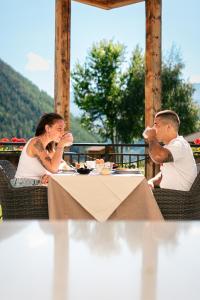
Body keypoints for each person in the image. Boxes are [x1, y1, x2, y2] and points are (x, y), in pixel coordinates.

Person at [11, 113, 73, 187]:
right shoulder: (36, 143)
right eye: (59, 129)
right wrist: (61, 145)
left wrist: (51, 175)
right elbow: (53, 168)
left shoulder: (48, 148)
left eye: (63, 129)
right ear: (47, 128)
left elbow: (63, 166)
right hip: (25, 188)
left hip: (37, 187)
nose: (63, 133)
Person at [143, 110, 197, 191]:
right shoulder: (170, 146)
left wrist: (151, 137)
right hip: (169, 195)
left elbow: (158, 156)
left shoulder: (179, 145)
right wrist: (152, 182)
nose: (153, 128)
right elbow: (164, 173)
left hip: (179, 197)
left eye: (156, 124)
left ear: (168, 127)